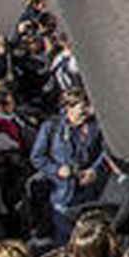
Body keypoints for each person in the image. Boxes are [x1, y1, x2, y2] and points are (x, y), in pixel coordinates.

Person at [30, 88, 105, 240]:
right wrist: (56, 170)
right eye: (82, 107)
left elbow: (106, 152)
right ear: (68, 108)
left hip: (90, 195)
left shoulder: (96, 126)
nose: (86, 111)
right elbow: (37, 157)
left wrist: (95, 170)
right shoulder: (52, 127)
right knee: (65, 240)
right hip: (64, 196)